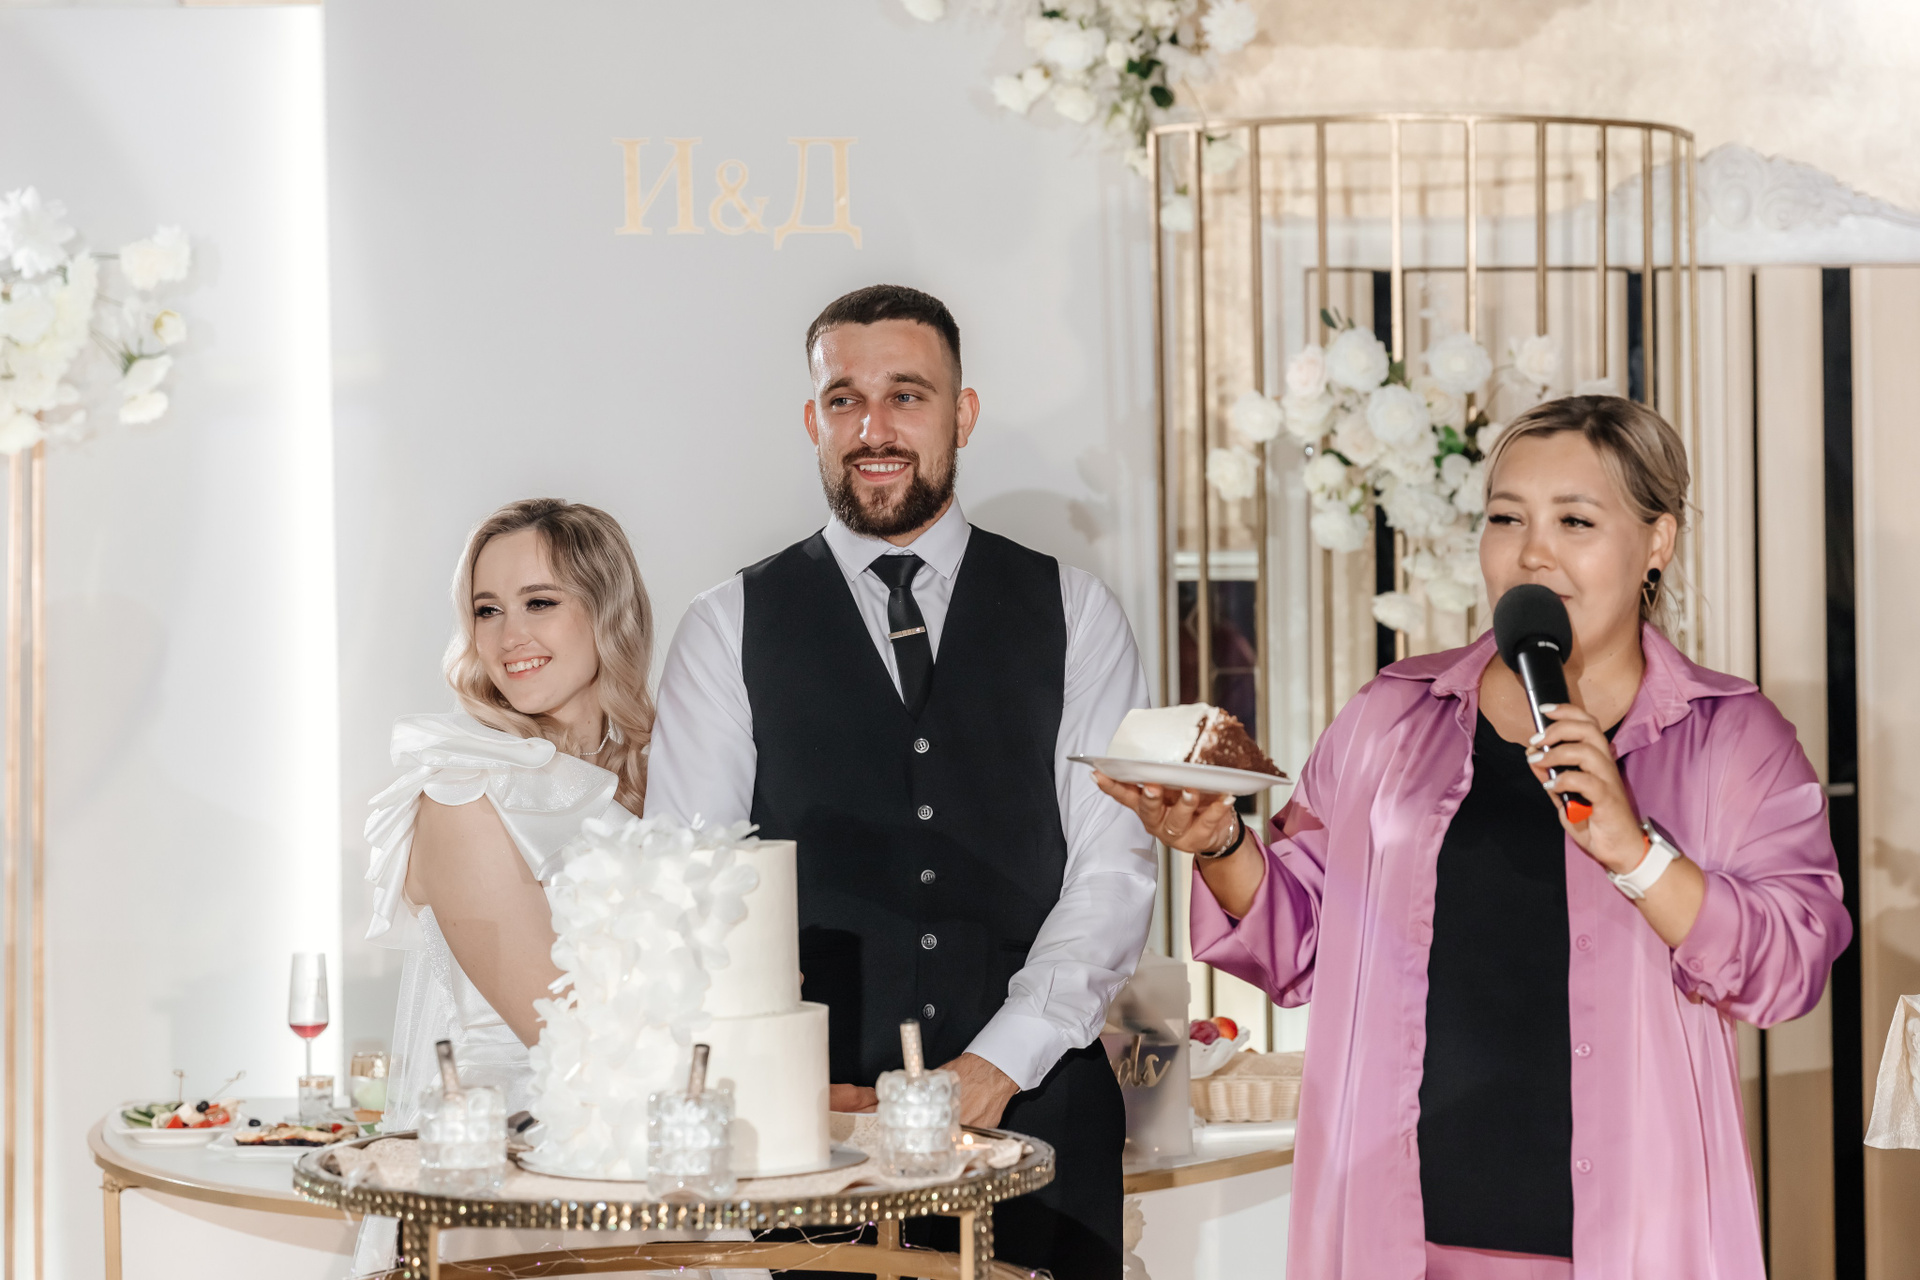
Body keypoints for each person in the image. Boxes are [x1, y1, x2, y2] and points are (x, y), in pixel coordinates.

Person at [1096, 396, 1852, 1280]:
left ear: (1658, 541)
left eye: (1575, 521)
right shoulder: (1392, 716)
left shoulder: (1731, 736)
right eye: (1506, 518)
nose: (1533, 553)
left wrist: (1638, 852)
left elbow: (1788, 965)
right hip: (1398, 1235)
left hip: (1632, 1235)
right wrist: (1221, 843)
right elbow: (1300, 944)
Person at [646, 284, 1156, 1279]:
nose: (873, 429)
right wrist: (777, 1080)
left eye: (907, 396)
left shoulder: (1078, 612)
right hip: (822, 1128)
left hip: (1041, 1112)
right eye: (845, 399)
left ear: (963, 414)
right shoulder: (725, 625)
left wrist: (997, 1062)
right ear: (813, 421)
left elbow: (1113, 869)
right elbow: (692, 891)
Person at [355, 498, 656, 1276]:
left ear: (609, 609)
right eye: (487, 610)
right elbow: (563, 1031)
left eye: (539, 602)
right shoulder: (463, 790)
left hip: (650, 1147)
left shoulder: (659, 775)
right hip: (511, 1171)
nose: (508, 635)